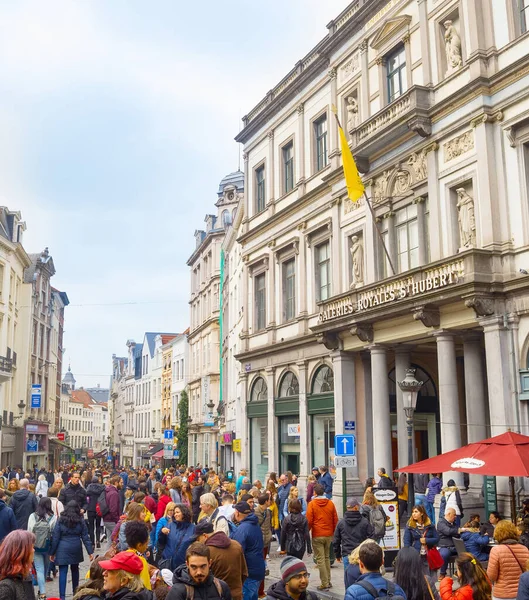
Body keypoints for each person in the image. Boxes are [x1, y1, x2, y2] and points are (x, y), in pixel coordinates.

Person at [50, 500, 94, 600]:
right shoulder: (80, 519)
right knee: (75, 570)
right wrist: (90, 552)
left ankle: (62, 597)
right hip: (75, 546)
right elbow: (85, 537)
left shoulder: (61, 519)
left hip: (62, 547)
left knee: (63, 571)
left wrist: (52, 552)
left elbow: (56, 537)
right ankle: (75, 593)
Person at [194, 519, 247, 600]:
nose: (197, 542)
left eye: (198, 539)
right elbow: (244, 573)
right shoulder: (236, 545)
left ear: (205, 536)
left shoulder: (206, 552)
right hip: (236, 595)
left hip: (216, 595)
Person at [167, 542, 232, 600]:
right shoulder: (177, 592)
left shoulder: (222, 588)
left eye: (203, 566)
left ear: (209, 563)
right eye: (194, 567)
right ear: (187, 564)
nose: (199, 572)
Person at [306, 483, 338, 591]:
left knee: (320, 559)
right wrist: (333, 533)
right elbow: (335, 519)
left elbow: (309, 520)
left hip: (317, 534)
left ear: (315, 492)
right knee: (327, 558)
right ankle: (328, 580)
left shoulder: (312, 504)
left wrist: (307, 532)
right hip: (328, 534)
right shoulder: (330, 503)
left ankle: (324, 583)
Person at [487, 519, 529, 599]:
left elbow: (492, 576)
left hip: (502, 594)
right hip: (521, 592)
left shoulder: (496, 550)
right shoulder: (524, 549)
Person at [231, 501, 265, 600]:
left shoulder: (243, 529)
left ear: (237, 513)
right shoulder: (254, 524)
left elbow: (236, 551)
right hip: (257, 569)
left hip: (249, 572)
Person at [334, 497, 374, 574]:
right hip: (361, 554)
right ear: (356, 507)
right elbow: (372, 536)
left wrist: (337, 554)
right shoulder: (364, 522)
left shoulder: (341, 523)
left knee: (349, 577)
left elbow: (336, 540)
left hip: (347, 554)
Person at [28, 496, 57, 600]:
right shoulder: (53, 517)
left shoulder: (33, 516)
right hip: (48, 546)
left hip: (35, 546)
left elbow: (30, 530)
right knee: (45, 568)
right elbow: (54, 532)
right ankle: (42, 589)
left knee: (39, 568)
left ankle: (42, 592)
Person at [158, 503, 195, 571]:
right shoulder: (170, 525)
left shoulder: (193, 528)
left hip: (183, 565)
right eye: (174, 513)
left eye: (177, 512)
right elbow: (161, 542)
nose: (175, 514)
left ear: (184, 513)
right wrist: (162, 533)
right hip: (167, 563)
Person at [403, 504, 440, 574]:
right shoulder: (410, 526)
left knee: (430, 577)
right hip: (416, 554)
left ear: (422, 513)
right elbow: (406, 542)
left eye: (416, 512)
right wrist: (409, 555)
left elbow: (437, 538)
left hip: (428, 554)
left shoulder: (429, 525)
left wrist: (427, 540)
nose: (413, 514)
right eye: (413, 512)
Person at [0, 529, 36, 599]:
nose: (33, 550)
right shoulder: (5, 587)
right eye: (32, 547)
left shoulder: (25, 577)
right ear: (21, 553)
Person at [124, 521, 153, 591]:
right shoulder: (140, 561)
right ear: (139, 545)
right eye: (146, 544)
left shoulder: (123, 556)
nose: (147, 547)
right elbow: (146, 587)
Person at [437, 508, 460, 581]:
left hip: (454, 545)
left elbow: (457, 534)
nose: (455, 516)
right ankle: (442, 573)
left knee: (465, 551)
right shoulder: (441, 523)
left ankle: (460, 571)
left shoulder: (454, 523)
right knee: (444, 554)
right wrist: (459, 530)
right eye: (454, 515)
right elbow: (448, 531)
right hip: (444, 546)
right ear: (449, 514)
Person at [86, 475, 106, 549]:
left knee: (91, 526)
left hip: (90, 508)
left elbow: (86, 496)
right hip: (98, 508)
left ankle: (92, 543)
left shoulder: (89, 487)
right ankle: (98, 540)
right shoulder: (101, 488)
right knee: (98, 525)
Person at [104, 475, 122, 544]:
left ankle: (107, 554)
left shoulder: (109, 491)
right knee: (115, 541)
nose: (122, 484)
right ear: (116, 483)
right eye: (121, 482)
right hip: (112, 520)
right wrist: (117, 520)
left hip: (107, 519)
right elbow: (113, 509)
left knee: (110, 541)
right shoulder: (114, 493)